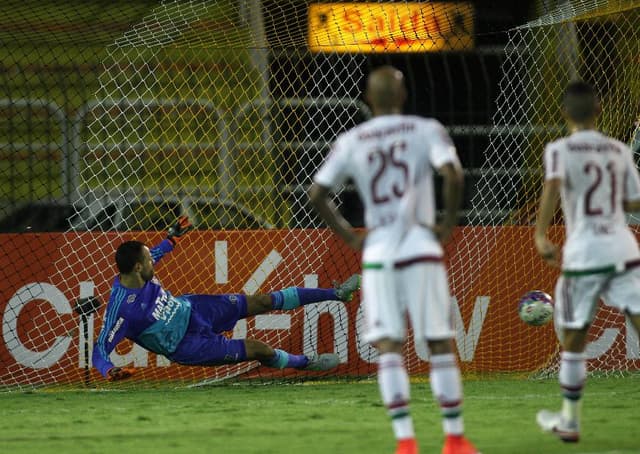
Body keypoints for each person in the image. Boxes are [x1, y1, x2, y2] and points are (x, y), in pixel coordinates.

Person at [309, 66, 479, 454]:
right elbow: (453, 175)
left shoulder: (352, 139)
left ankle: (405, 442)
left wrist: (351, 236)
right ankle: (454, 438)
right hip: (420, 248)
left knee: (388, 346)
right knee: (437, 341)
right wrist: (447, 224)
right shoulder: (426, 129)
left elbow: (317, 193)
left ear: (369, 100)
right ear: (403, 97)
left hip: (380, 252)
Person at [92, 215, 361, 381]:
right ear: (138, 267)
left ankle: (337, 293)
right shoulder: (122, 309)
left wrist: (171, 240)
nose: (154, 261)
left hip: (195, 308)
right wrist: (109, 370)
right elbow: (100, 348)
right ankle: (307, 363)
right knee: (258, 349)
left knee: (264, 301)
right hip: (188, 345)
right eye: (149, 259)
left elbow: (157, 254)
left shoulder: (141, 273)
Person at [534, 80, 640, 443]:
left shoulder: (559, 151)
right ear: (599, 111)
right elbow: (634, 201)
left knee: (574, 339)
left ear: (564, 113)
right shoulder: (619, 151)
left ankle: (570, 421)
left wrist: (541, 234)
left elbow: (552, 187)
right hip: (623, 252)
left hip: (583, 256)